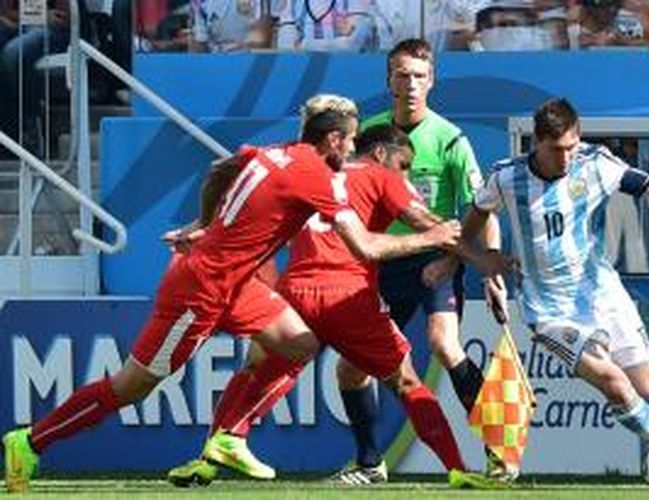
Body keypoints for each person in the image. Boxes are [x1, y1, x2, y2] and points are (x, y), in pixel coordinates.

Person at [1, 94, 463, 494]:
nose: (353, 148)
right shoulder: (314, 176)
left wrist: (204, 223)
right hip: (199, 290)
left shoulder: (270, 153)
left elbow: (219, 170)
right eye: (350, 138)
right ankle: (30, 442)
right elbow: (364, 245)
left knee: (299, 342)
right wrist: (433, 236)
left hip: (236, 286)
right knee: (132, 386)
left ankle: (230, 437)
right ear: (335, 140)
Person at [165, 121, 507, 487]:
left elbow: (238, 190)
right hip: (347, 295)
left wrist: (202, 228)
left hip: (294, 290)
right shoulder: (382, 175)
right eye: (403, 164)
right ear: (380, 154)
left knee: (258, 367)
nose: (405, 174)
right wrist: (479, 258)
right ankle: (457, 469)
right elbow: (424, 221)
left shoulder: (310, 171)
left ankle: (211, 457)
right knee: (406, 381)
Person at [456, 98, 649, 488]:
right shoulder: (506, 177)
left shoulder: (596, 163)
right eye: (556, 150)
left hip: (603, 292)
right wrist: (485, 260)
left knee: (648, 387)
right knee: (614, 383)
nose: (565, 159)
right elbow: (476, 217)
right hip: (548, 309)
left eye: (571, 148)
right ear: (537, 143)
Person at [330, 37, 509, 485]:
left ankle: (499, 454)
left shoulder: (450, 139)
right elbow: (331, 189)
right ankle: (371, 463)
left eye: (419, 76)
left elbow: (482, 208)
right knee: (351, 366)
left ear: (432, 81)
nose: (410, 84)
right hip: (382, 261)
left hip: (437, 260)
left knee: (445, 344)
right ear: (388, 79)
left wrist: (481, 270)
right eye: (402, 75)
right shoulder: (368, 135)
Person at [0, 0, 71, 155]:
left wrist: (31, 18)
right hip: (25, 24)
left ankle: (31, 121)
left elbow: (64, 17)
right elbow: (6, 13)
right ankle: (10, 133)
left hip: (57, 31)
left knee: (13, 53)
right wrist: (34, 17)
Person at [275, 0, 379, 51]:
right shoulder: (292, 2)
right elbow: (286, 48)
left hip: (353, 71)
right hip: (306, 70)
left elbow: (350, 45)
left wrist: (303, 45)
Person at [188, 0, 278, 52]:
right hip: (215, 65)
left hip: (247, 63)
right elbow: (199, 44)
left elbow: (262, 40)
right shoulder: (200, 2)